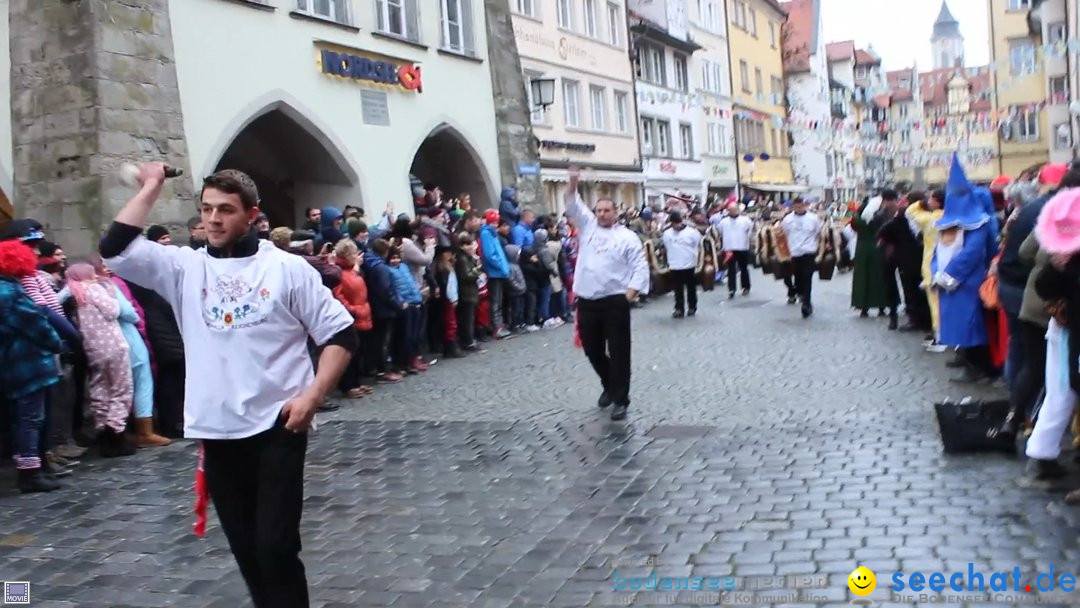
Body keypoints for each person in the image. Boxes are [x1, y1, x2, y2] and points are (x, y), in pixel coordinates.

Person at [100, 164, 356, 608]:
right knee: (246, 550)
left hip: (278, 424)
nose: (214, 219)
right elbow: (114, 247)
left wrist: (312, 397)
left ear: (252, 215)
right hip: (216, 428)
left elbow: (340, 335)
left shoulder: (287, 269)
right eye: (206, 209)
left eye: (225, 210)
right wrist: (152, 186)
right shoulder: (183, 267)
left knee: (275, 546)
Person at [564, 167, 649, 421]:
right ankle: (609, 384)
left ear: (615, 213)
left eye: (606, 210)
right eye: (598, 210)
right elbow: (571, 200)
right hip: (588, 300)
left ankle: (621, 398)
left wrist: (630, 294)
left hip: (615, 301)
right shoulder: (587, 227)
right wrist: (573, 179)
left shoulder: (627, 237)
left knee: (620, 351)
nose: (601, 214)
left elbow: (639, 266)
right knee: (592, 349)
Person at [0, 239, 65, 493]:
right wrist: (55, 343)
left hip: (10, 361)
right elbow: (36, 324)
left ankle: (31, 467)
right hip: (27, 362)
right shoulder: (12, 293)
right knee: (31, 418)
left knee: (23, 418)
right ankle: (30, 473)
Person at [932, 155, 998, 383]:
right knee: (960, 329)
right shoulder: (945, 223)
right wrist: (936, 273)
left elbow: (972, 254)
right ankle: (970, 364)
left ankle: (982, 369)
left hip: (969, 284)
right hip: (949, 286)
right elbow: (937, 252)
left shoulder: (979, 222)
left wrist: (950, 276)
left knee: (974, 328)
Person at [61, 263, 136, 457]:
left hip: (92, 348)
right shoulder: (93, 289)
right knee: (121, 388)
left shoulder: (72, 295)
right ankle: (115, 432)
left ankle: (102, 428)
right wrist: (110, 291)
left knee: (99, 389)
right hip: (113, 345)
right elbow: (113, 311)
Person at [332, 239, 373, 399]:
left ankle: (356, 382)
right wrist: (352, 310)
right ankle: (348, 385)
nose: (356, 256)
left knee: (359, 352)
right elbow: (338, 294)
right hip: (354, 315)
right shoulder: (339, 272)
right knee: (350, 353)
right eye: (353, 253)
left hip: (362, 312)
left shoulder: (351, 270)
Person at [906, 188, 946, 351]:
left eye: (931, 199)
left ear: (936, 201)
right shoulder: (951, 217)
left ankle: (939, 336)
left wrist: (921, 203)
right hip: (949, 264)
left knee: (934, 302)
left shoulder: (929, 219)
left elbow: (910, 212)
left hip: (931, 264)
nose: (928, 201)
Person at [850, 196, 893, 318]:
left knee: (862, 277)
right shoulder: (879, 217)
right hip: (877, 247)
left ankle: (863, 307)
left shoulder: (856, 219)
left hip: (862, 248)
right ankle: (882, 306)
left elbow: (853, 228)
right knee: (879, 277)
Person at [780, 198, 823, 319]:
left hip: (808, 251)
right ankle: (801, 295)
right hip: (794, 252)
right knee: (798, 278)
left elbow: (818, 233)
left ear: (805, 206)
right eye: (797, 206)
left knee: (807, 277)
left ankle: (806, 304)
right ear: (793, 207)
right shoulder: (787, 220)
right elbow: (784, 233)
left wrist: (816, 246)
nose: (799, 208)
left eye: (801, 206)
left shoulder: (813, 218)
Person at [661, 211, 702, 318]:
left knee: (690, 287)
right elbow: (666, 247)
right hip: (674, 265)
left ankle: (692, 307)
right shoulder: (667, 234)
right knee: (677, 289)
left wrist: (695, 258)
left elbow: (697, 245)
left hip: (688, 264)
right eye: (675, 223)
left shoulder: (692, 233)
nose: (678, 225)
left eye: (679, 222)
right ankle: (679, 308)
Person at [479, 210, 511, 339]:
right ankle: (496, 328)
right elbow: (490, 255)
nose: (495, 225)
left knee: (498, 300)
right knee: (495, 302)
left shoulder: (491, 233)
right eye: (493, 222)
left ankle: (499, 325)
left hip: (498, 271)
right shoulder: (487, 234)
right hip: (494, 273)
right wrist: (501, 267)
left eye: (496, 222)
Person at [715, 202, 754, 298]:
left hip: (742, 247)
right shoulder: (724, 222)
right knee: (731, 270)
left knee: (743, 268)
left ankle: (746, 287)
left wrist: (749, 240)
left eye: (734, 210)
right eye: (730, 210)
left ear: (738, 210)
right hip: (729, 248)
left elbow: (750, 230)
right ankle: (731, 289)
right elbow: (719, 232)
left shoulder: (745, 220)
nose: (732, 212)